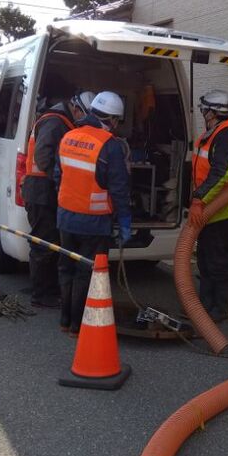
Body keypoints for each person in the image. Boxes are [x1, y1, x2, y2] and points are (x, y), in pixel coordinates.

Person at [55, 90, 132, 335]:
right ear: (113, 119)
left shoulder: (68, 137)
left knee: (66, 268)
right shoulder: (110, 146)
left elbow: (58, 176)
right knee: (85, 274)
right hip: (94, 223)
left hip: (66, 217)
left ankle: (65, 320)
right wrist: (125, 221)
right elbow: (120, 189)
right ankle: (79, 325)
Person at [21, 91, 94, 307]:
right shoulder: (54, 122)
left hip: (46, 190)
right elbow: (43, 157)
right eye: (84, 115)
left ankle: (48, 289)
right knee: (43, 243)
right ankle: (41, 295)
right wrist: (63, 181)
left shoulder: (61, 121)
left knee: (52, 242)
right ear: (76, 107)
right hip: (41, 190)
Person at [188, 90, 228, 323]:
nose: (203, 113)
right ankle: (205, 306)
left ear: (212, 112)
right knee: (205, 261)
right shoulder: (213, 134)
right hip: (211, 212)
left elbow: (219, 174)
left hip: (224, 214)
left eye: (205, 109)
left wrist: (198, 200)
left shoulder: (226, 136)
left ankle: (219, 310)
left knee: (219, 264)